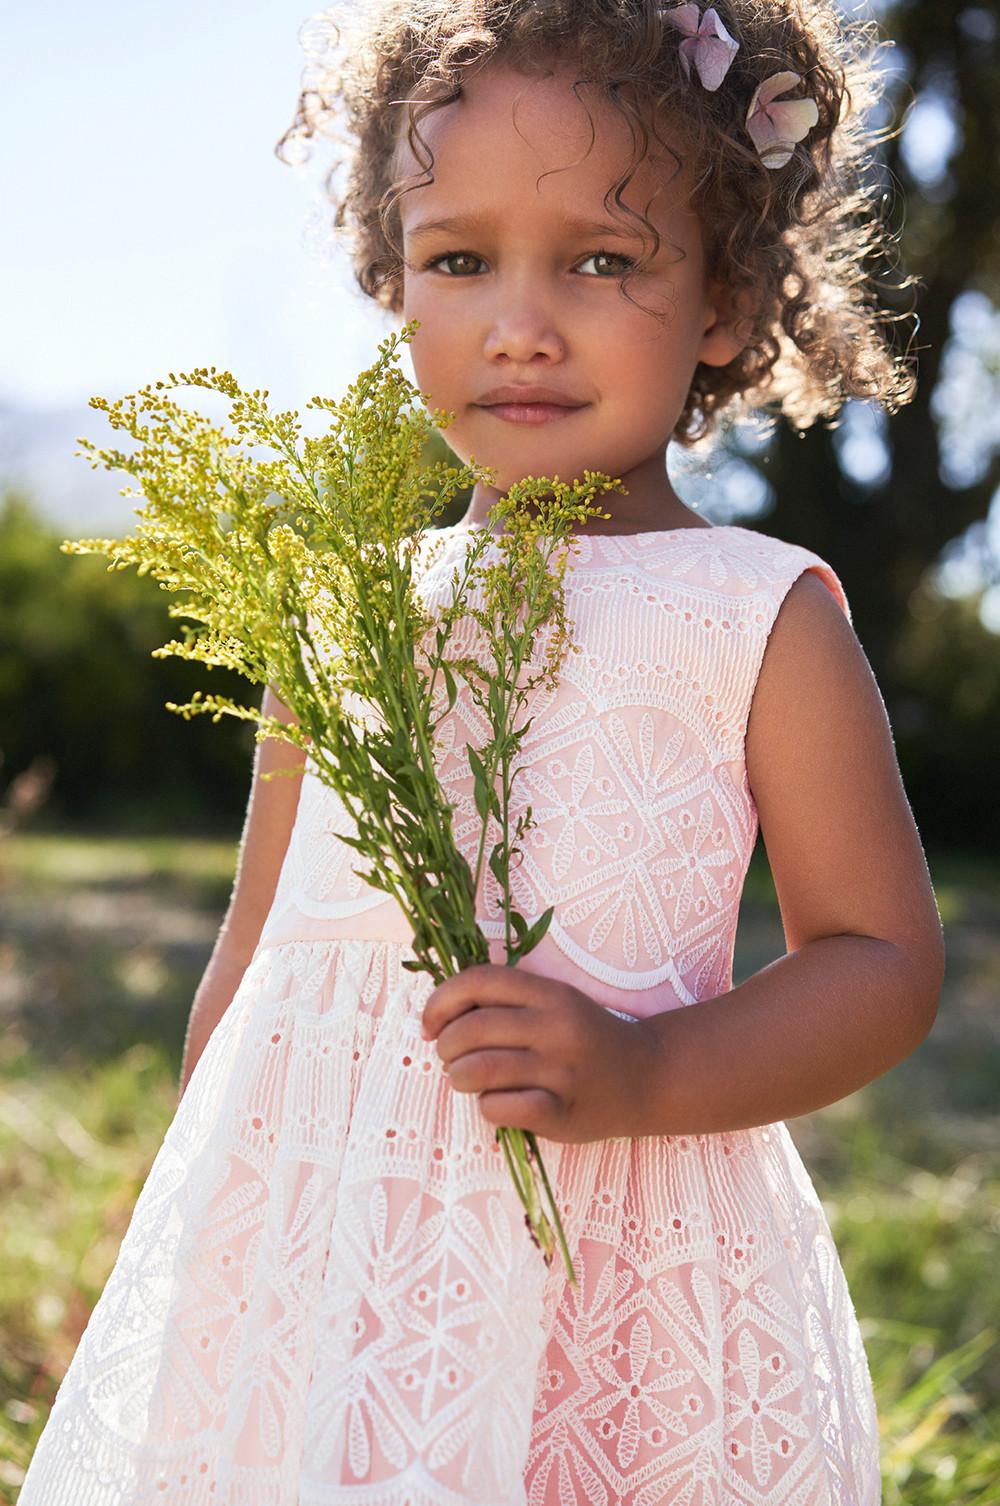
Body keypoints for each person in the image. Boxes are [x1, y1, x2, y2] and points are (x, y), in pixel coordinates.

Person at [19, 2, 945, 1502]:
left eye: (602, 257)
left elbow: (881, 959)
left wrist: (647, 1069)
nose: (521, 320)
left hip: (619, 1274)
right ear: (394, 281)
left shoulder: (758, 616)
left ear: (723, 300)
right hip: (331, 1283)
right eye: (460, 259)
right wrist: (195, 1241)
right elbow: (256, 955)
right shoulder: (338, 609)